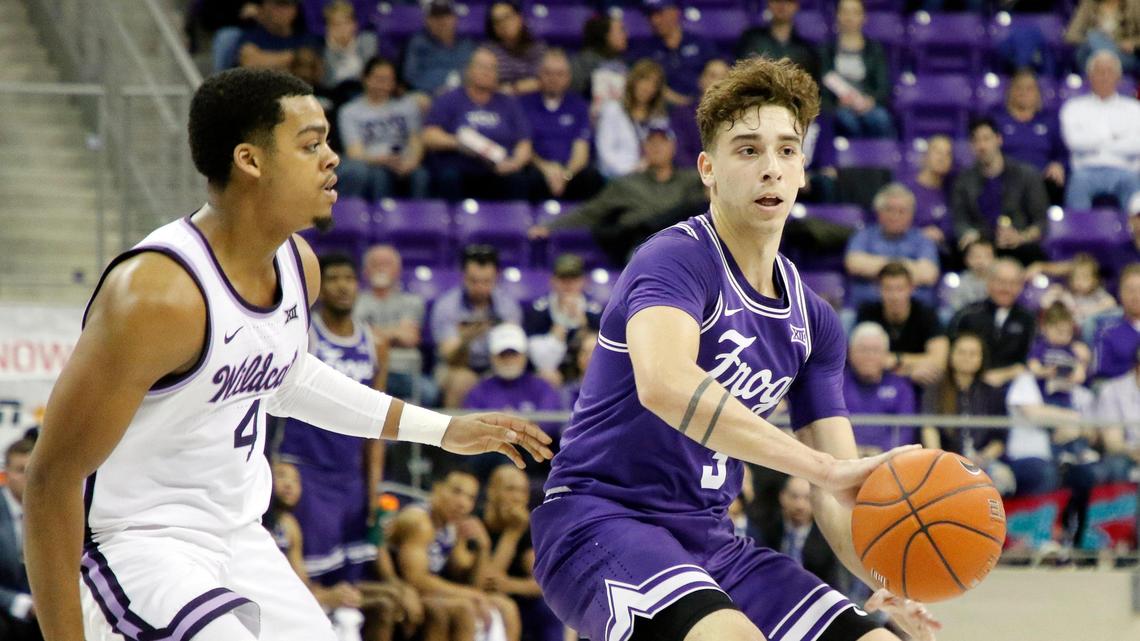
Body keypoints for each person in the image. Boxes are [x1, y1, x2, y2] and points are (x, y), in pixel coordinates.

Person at [23, 68, 551, 641]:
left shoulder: (299, 266)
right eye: (311, 144)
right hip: (138, 546)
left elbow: (289, 379)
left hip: (240, 536)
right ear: (250, 161)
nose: (332, 159)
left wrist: (442, 430)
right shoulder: (157, 296)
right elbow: (51, 479)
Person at [529, 58, 939, 641]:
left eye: (786, 151)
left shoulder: (815, 320)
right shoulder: (675, 258)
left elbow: (838, 491)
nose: (770, 168)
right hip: (601, 520)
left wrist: (887, 577)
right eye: (748, 150)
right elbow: (665, 384)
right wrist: (826, 468)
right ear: (708, 169)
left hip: (711, 541)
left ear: (803, 169)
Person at [277, 253, 387, 588]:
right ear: (320, 287)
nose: (343, 286)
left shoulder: (375, 344)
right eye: (334, 278)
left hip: (350, 475)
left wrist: (373, 486)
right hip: (306, 469)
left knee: (352, 585)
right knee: (311, 581)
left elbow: (378, 422)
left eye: (349, 278)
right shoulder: (302, 335)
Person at [529, 123, 707, 265]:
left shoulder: (692, 180)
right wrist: (550, 227)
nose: (656, 147)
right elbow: (592, 211)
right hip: (642, 246)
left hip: (685, 246)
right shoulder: (626, 183)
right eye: (651, 142)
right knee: (644, 259)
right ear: (642, 147)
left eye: (662, 141)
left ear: (673, 147)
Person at [390, 470, 521, 641]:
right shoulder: (419, 522)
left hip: (427, 591)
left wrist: (483, 547)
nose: (463, 503)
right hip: (399, 587)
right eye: (456, 492)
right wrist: (471, 595)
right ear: (437, 489)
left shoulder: (451, 526)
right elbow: (416, 579)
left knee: (506, 606)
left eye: (470, 497)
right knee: (463, 608)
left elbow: (472, 580)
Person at [423, 48, 535, 201]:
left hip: (500, 168)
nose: (487, 72)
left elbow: (524, 143)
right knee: (448, 177)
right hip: (460, 167)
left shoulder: (509, 103)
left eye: (492, 68)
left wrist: (514, 163)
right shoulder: (448, 99)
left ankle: (514, 223)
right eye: (482, 67)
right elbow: (429, 135)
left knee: (518, 179)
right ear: (469, 70)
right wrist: (459, 143)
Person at [431, 245, 524, 408]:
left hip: (495, 365)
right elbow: (449, 357)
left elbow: (515, 349)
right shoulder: (447, 305)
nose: (480, 287)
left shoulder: (507, 305)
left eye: (487, 281)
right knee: (463, 380)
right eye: (474, 281)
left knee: (509, 374)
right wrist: (465, 340)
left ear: (497, 277)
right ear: (463, 277)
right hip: (456, 366)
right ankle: (453, 432)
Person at [462, 323, 565, 469]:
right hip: (491, 455)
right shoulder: (479, 390)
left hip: (533, 456)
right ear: (492, 357)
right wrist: (520, 425)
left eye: (513, 353)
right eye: (503, 354)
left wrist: (508, 426)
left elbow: (551, 422)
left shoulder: (541, 386)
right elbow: (470, 425)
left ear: (524, 355)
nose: (509, 359)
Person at [950, 117, 1049, 267]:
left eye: (986, 139)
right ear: (971, 145)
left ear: (998, 139)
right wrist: (970, 235)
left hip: (1017, 245)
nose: (982, 146)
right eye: (976, 140)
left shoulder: (1026, 175)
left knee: (1034, 253)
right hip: (981, 246)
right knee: (954, 253)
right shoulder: (963, 181)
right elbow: (959, 220)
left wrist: (1021, 237)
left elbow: (1041, 221)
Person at [482, 465, 561, 641]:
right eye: (510, 489)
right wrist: (512, 533)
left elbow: (542, 582)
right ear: (492, 491)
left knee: (550, 609)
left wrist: (511, 585)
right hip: (482, 599)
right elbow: (488, 582)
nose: (517, 497)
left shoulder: (527, 528)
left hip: (519, 603)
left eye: (523, 491)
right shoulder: (477, 523)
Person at [922, 333, 1009, 491]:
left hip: (982, 462)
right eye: (961, 352)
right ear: (951, 355)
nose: (966, 358)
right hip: (945, 461)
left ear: (981, 358)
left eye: (973, 353)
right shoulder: (935, 390)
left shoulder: (993, 393)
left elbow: (1000, 438)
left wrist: (982, 459)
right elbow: (929, 428)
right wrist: (939, 460)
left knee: (1003, 479)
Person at [337, 57, 430, 201]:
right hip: (373, 162)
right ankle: (381, 220)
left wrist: (413, 162)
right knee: (380, 176)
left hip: (405, 161)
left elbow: (416, 140)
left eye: (388, 80)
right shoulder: (349, 111)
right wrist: (381, 160)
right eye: (378, 79)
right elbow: (355, 153)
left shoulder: (407, 106)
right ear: (365, 78)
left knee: (421, 176)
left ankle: (421, 222)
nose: (383, 85)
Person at [519, 49, 605, 202]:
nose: (553, 79)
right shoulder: (523, 104)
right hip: (538, 169)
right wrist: (547, 169)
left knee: (592, 178)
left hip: (571, 171)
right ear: (539, 75)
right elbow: (524, 147)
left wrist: (565, 175)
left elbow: (581, 151)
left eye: (559, 74)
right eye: (548, 73)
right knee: (524, 178)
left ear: (568, 77)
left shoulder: (579, 105)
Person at [1059, 50, 1140, 210]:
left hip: (1125, 170)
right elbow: (1075, 143)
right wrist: (1114, 138)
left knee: (1135, 188)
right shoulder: (1073, 107)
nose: (1104, 77)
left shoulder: (1134, 109)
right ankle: (1079, 235)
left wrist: (1094, 141)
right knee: (1078, 184)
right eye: (1099, 72)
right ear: (1089, 76)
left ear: (1118, 77)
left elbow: (1136, 145)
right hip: (1086, 171)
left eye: (1109, 72)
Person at [843, 182, 940, 309]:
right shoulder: (863, 235)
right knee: (845, 318)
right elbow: (854, 264)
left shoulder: (922, 239)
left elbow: (928, 274)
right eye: (889, 210)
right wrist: (910, 267)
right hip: (867, 309)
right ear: (878, 212)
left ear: (911, 214)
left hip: (915, 312)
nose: (895, 216)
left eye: (902, 211)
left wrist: (875, 266)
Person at [854, 263, 949, 391]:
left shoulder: (926, 314)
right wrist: (908, 371)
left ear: (911, 288)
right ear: (878, 289)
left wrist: (895, 359)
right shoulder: (867, 312)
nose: (894, 296)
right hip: (877, 382)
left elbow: (939, 361)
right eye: (888, 289)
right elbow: (860, 359)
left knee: (931, 377)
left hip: (919, 381)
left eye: (900, 289)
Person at [354, 245, 427, 402]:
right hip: (362, 369)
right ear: (365, 271)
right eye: (375, 264)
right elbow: (351, 335)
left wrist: (369, 332)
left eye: (386, 263)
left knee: (428, 392)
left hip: (403, 371)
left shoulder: (412, 302)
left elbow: (409, 338)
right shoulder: (353, 302)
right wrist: (395, 332)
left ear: (398, 270)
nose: (381, 268)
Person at [948, 258, 1036, 388]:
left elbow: (1031, 359)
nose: (1006, 288)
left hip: (1013, 385)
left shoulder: (1028, 319)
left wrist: (1005, 374)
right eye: (1001, 282)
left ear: (1021, 286)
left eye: (1013, 283)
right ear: (988, 282)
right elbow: (951, 353)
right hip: (969, 384)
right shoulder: (967, 315)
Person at [843, 322, 927, 455]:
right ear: (850, 352)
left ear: (886, 354)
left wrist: (881, 452)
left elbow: (905, 430)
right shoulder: (836, 385)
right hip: (844, 460)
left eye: (875, 350)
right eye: (863, 349)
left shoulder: (901, 387)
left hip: (889, 462)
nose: (869, 356)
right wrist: (851, 451)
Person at [522, 254, 603, 387]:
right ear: (553, 280)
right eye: (563, 279)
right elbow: (530, 357)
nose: (569, 284)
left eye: (574, 278)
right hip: (550, 371)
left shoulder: (594, 312)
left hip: (583, 371)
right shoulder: (539, 311)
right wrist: (556, 336)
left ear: (583, 280)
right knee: (547, 376)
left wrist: (584, 327)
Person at [756, 476, 846, 594]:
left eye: (807, 498)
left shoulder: (827, 539)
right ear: (782, 496)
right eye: (794, 497)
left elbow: (833, 585)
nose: (800, 505)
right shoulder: (766, 530)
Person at [819, 0, 895, 139]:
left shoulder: (874, 50)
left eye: (855, 12)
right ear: (837, 15)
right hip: (838, 107)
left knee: (881, 119)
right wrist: (836, 103)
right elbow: (820, 87)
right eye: (845, 12)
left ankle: (884, 158)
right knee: (847, 121)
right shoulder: (826, 51)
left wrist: (870, 100)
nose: (849, 17)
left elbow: (883, 87)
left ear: (863, 17)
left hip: (868, 105)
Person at [991, 70, 1066, 204]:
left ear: (1038, 94)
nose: (1023, 92)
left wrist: (1058, 165)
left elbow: (1062, 153)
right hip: (1006, 179)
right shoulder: (997, 119)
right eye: (1019, 87)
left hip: (1042, 181)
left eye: (1029, 88)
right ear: (1010, 91)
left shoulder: (1049, 121)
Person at [631, 0, 718, 104]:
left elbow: (719, 69)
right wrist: (681, 102)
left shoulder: (700, 43)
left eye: (659, 13)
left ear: (676, 12)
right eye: (650, 15)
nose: (655, 20)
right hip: (662, 111)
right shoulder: (644, 51)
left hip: (703, 105)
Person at [595, 58, 670, 179]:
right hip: (616, 176)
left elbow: (665, 149)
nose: (648, 88)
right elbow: (605, 153)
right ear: (633, 81)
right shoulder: (612, 110)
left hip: (650, 177)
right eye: (644, 80)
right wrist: (631, 169)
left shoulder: (659, 117)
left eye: (654, 84)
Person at [0, 439, 39, 641]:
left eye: (32, 470)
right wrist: (22, 604)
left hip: (42, 608)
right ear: (5, 475)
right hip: (5, 607)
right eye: (20, 470)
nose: (27, 477)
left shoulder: (53, 512)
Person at [402, 0, 477, 97]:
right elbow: (410, 76)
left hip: (464, 96)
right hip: (427, 96)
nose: (442, 21)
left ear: (455, 19)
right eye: (436, 17)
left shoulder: (467, 44)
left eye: (446, 16)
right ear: (427, 21)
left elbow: (475, 72)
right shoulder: (418, 43)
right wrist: (432, 90)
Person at [670, 59, 730, 171]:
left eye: (723, 77)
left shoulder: (736, 116)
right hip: (692, 178)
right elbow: (679, 152)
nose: (718, 82)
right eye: (713, 76)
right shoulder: (683, 114)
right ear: (701, 80)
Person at [736, 0, 819, 79]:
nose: (782, 4)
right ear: (769, 2)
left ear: (796, 5)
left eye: (789, 0)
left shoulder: (806, 50)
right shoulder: (751, 38)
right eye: (777, 0)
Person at [900, 135, 953, 257]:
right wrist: (919, 233)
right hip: (909, 250)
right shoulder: (905, 190)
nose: (942, 158)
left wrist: (943, 233)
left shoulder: (953, 189)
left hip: (943, 251)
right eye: (937, 152)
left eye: (948, 154)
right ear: (925, 156)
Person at [1036, 253, 1118, 327]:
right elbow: (1045, 303)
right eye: (1077, 277)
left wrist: (1090, 309)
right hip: (1070, 332)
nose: (1080, 282)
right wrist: (1053, 294)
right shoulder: (1067, 295)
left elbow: (1111, 304)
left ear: (1094, 280)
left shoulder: (1098, 295)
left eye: (1085, 277)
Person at [483, 1, 546, 96]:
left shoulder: (537, 47)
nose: (503, 24)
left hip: (533, 103)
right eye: (497, 21)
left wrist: (512, 89)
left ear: (519, 18)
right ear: (494, 28)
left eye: (507, 17)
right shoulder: (488, 50)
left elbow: (544, 81)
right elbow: (484, 83)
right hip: (498, 104)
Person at [237, 0, 316, 72]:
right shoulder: (252, 34)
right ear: (264, 6)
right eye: (279, 4)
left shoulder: (305, 38)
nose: (283, 11)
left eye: (289, 5)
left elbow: (306, 68)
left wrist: (263, 60)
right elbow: (249, 64)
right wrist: (293, 57)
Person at [569, 14, 628, 109]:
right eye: (621, 30)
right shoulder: (582, 64)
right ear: (605, 35)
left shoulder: (622, 63)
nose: (625, 35)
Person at [1092, 263, 1140, 381]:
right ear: (1120, 293)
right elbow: (1101, 371)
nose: (1136, 295)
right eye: (1130, 290)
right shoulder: (1107, 330)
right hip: (1120, 392)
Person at [1064, 0, 1140, 73]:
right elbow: (1071, 35)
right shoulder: (1089, 3)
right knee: (1093, 37)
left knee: (1093, 39)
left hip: (1122, 54)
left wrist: (1133, 43)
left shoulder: (1134, 3)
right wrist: (1094, 42)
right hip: (1093, 54)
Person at [321, 1, 379, 91]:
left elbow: (370, 74)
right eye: (336, 25)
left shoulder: (367, 40)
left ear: (355, 24)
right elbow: (329, 82)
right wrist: (334, 49)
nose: (342, 29)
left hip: (364, 91)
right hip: (337, 94)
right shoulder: (323, 47)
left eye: (346, 23)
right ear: (328, 28)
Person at [946, 239, 995, 313]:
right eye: (976, 256)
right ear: (967, 259)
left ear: (994, 258)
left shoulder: (998, 280)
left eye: (986, 256)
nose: (981, 261)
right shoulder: (961, 281)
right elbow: (955, 304)